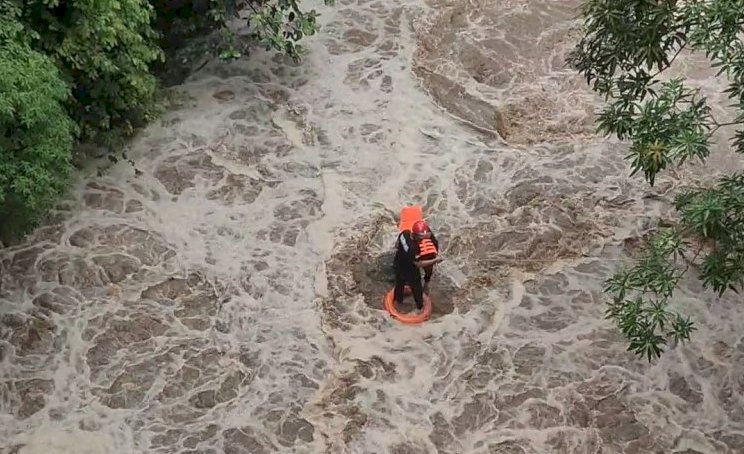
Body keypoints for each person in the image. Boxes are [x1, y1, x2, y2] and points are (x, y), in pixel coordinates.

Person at [393, 219, 443, 313]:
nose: (423, 240)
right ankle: (419, 307)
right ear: (415, 236)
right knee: (416, 287)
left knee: (399, 283)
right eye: (421, 238)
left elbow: (397, 245)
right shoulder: (412, 248)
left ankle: (398, 301)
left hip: (398, 259)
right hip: (407, 265)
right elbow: (418, 264)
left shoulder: (405, 233)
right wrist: (435, 260)